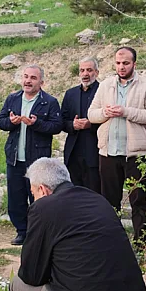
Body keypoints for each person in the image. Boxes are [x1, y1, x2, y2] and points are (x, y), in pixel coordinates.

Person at [10, 158, 146, 291]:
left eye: (33, 193)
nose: (33, 198)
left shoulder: (44, 208)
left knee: (17, 286)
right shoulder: (97, 200)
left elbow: (31, 275)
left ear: (42, 189)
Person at [88, 47, 146, 249]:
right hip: (108, 152)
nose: (121, 67)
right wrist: (106, 112)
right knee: (109, 202)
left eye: (126, 63)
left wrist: (125, 111)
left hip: (136, 154)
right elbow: (91, 114)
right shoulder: (105, 85)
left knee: (138, 201)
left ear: (134, 64)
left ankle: (141, 244)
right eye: (118, 63)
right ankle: (112, 242)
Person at [0, 65, 63, 245]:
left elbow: (56, 126)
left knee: (38, 198)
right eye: (25, 77)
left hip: (37, 160)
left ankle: (39, 232)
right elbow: (1, 121)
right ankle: (21, 231)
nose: (28, 81)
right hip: (15, 157)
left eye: (33, 78)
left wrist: (36, 123)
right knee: (16, 197)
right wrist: (11, 122)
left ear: (41, 82)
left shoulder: (49, 102)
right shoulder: (13, 98)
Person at [61, 57, 101, 193]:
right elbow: (62, 122)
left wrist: (91, 124)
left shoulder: (103, 91)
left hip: (95, 153)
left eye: (89, 70)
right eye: (82, 70)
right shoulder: (70, 94)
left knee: (94, 193)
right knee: (74, 195)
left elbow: (109, 119)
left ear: (97, 72)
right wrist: (72, 125)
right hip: (73, 153)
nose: (85, 74)